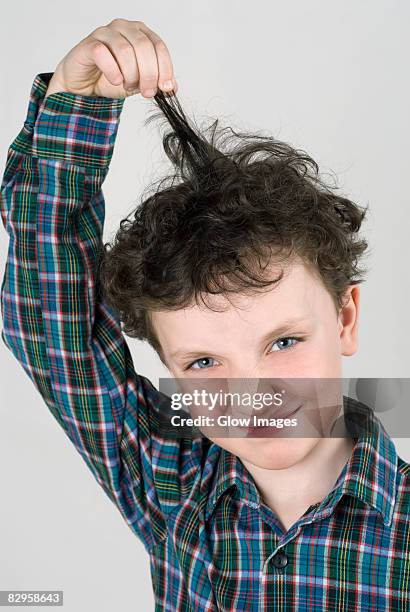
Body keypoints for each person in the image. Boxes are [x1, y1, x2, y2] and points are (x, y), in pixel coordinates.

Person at [1, 18, 408, 611]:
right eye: (204, 362)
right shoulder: (171, 483)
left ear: (345, 317)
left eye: (284, 342)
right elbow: (52, 319)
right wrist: (77, 107)